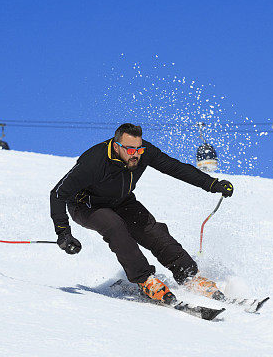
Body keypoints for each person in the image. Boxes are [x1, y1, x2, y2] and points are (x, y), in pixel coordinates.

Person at [50, 123, 233, 304]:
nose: (136, 154)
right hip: (86, 205)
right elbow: (58, 193)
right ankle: (145, 280)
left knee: (152, 231)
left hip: (122, 201)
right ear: (116, 146)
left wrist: (212, 184)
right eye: (130, 150)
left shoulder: (143, 151)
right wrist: (63, 233)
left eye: (138, 149)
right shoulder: (94, 161)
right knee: (115, 227)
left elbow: (175, 168)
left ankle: (189, 276)